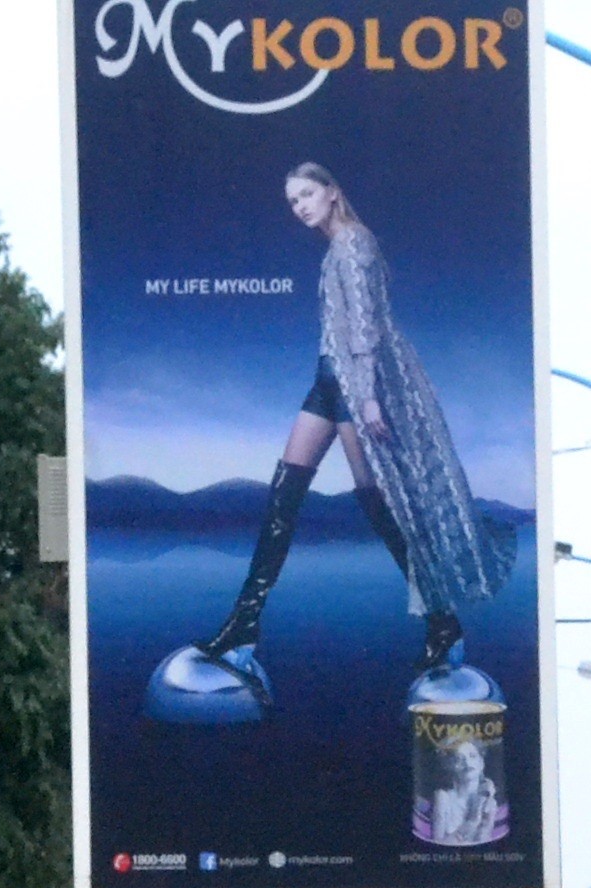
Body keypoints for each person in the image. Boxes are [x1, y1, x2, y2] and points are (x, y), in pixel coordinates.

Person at [159, 163, 516, 712]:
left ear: (331, 192)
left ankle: (442, 622)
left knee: (375, 503)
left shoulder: (353, 243)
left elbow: (367, 324)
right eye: (292, 200)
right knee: (285, 491)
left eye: (306, 194)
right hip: (328, 378)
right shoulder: (336, 248)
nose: (299, 206)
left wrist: (369, 394)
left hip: (353, 381)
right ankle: (242, 626)